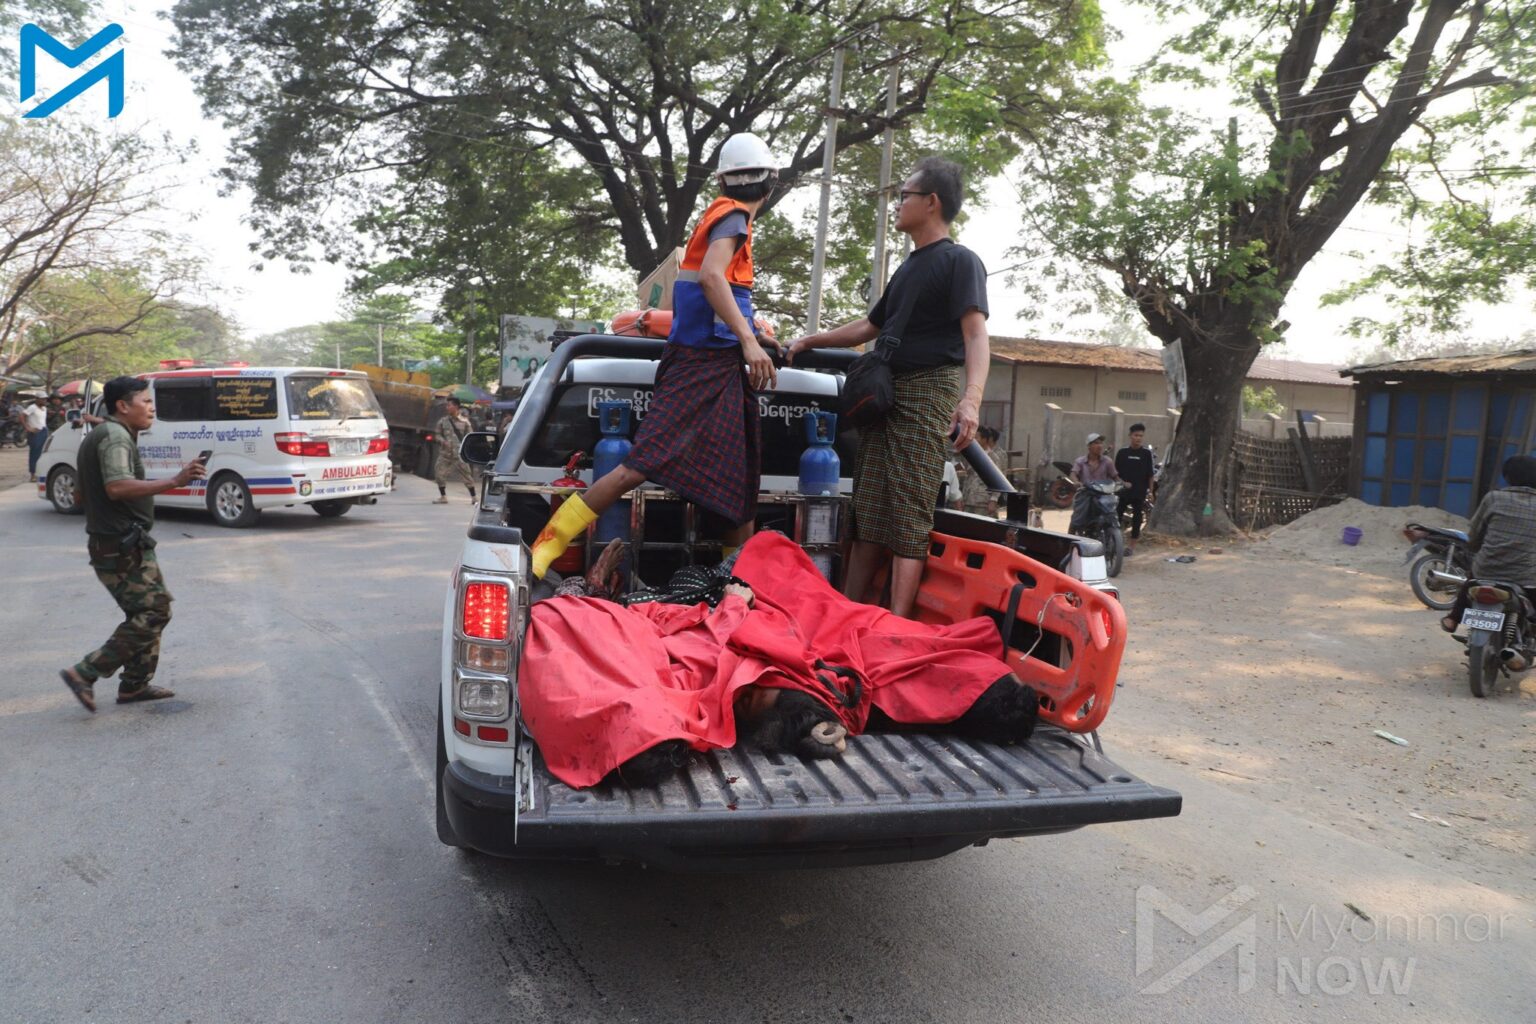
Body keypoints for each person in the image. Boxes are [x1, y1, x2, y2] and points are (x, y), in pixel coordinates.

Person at [527, 131, 783, 578]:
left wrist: (755, 339)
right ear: (770, 183)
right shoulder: (735, 218)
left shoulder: (721, 213)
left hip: (718, 367)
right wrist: (748, 340)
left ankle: (734, 581)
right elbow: (711, 279)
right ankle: (550, 539)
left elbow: (719, 297)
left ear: (723, 180)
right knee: (638, 465)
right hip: (699, 366)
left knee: (739, 483)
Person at [786, 157, 989, 617]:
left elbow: (975, 335)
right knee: (870, 509)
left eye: (905, 196)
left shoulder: (961, 261)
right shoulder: (909, 267)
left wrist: (971, 399)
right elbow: (868, 327)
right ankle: (849, 612)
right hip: (886, 393)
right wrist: (810, 339)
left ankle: (896, 624)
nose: (897, 205)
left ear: (931, 202)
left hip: (928, 390)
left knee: (909, 509)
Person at [57, 376, 207, 713]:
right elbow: (117, 487)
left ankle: (134, 686)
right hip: (118, 545)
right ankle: (85, 672)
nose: (152, 407)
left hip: (123, 541)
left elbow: (82, 494)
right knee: (154, 611)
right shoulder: (113, 438)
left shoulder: (107, 434)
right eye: (145, 400)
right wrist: (175, 480)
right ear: (123, 406)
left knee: (147, 611)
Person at [1441, 455, 1536, 632]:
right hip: (1525, 576)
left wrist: (1475, 548)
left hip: (1487, 568)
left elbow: (1474, 534)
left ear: (1507, 477)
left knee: (1471, 579)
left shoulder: (1493, 498)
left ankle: (1453, 618)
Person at [1114, 423, 1156, 554]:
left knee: (1137, 518)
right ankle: (1114, 541)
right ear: (1130, 436)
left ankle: (1131, 546)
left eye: (1141, 436)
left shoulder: (1146, 454)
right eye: (1136, 435)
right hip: (1122, 492)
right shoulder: (1122, 453)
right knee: (1116, 516)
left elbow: (1150, 475)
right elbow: (1115, 474)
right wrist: (1121, 483)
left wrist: (1151, 491)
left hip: (1139, 492)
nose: (1138, 438)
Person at [1068, 432, 1120, 534]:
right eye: (1096, 443)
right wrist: (1076, 482)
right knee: (1078, 518)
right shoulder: (1080, 461)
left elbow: (1115, 476)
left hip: (1103, 494)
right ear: (1089, 446)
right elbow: (1073, 473)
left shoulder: (1107, 461)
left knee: (1111, 513)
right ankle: (1070, 537)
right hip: (1086, 493)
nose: (1099, 445)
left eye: (1100, 443)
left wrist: (1122, 484)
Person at [433, 397, 478, 504]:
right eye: (447, 405)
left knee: (467, 475)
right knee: (439, 473)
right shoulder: (443, 421)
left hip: (459, 454)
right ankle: (443, 496)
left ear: (456, 406)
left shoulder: (465, 422)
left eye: (449, 405)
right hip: (445, 454)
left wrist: (468, 449)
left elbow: (470, 437)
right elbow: (437, 434)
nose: (447, 407)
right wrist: (443, 441)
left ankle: (474, 497)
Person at [960, 427, 1005, 516]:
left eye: (976, 437)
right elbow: (968, 478)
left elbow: (998, 481)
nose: (974, 440)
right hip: (969, 500)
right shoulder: (972, 455)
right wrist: (963, 497)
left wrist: (993, 500)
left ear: (984, 440)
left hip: (983, 502)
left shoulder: (993, 458)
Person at [22, 394, 49, 482]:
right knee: (34, 454)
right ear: (37, 399)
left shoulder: (44, 408)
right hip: (35, 433)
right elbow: (22, 416)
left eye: (45, 399)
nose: (44, 401)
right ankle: (33, 474)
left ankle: (41, 473)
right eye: (42, 399)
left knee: (43, 453)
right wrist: (28, 428)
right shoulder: (32, 407)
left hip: (44, 431)